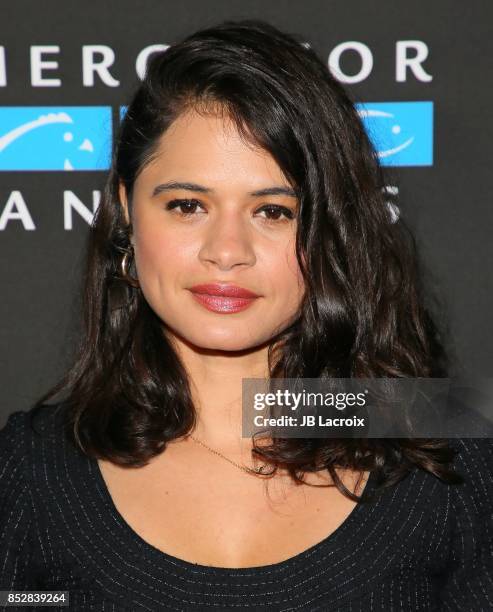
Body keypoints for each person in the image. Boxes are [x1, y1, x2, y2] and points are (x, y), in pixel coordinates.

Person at [1, 19, 492, 611]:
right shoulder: (27, 473)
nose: (227, 250)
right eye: (187, 205)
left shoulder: (446, 454)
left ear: (331, 227)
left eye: (274, 212)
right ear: (128, 211)